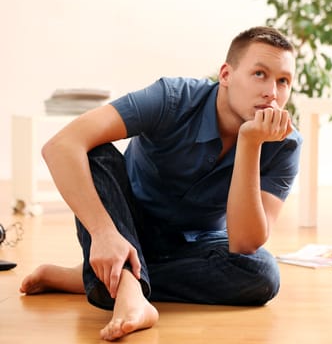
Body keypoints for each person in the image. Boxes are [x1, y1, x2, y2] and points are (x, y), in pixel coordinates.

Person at [19, 26, 301, 341]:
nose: (272, 93)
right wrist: (103, 233)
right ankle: (128, 290)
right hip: (127, 227)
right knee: (94, 150)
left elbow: (244, 243)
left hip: (196, 245)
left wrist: (250, 143)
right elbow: (60, 146)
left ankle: (98, 279)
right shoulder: (172, 98)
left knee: (262, 273)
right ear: (226, 74)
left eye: (283, 81)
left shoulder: (284, 143)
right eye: (260, 74)